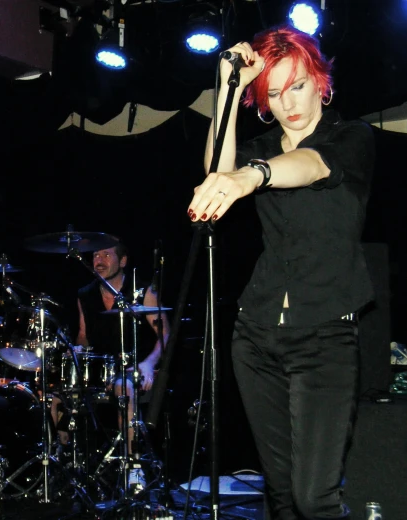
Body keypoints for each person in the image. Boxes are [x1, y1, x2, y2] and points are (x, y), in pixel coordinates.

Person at [188, 25, 374, 520]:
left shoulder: (351, 137)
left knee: (316, 497)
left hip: (326, 337)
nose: (289, 101)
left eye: (297, 84)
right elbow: (217, 168)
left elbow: (312, 166)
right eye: (273, 91)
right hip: (256, 336)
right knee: (283, 496)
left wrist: (255, 175)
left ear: (320, 81)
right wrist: (225, 84)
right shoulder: (262, 144)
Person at [52, 240, 169, 488]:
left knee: (123, 390)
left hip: (135, 368)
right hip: (100, 369)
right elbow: (83, 334)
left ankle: (134, 467)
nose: (99, 260)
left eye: (106, 254)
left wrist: (147, 364)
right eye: (95, 255)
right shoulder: (85, 294)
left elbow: (164, 334)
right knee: (54, 396)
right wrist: (77, 349)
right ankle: (67, 463)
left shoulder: (142, 289)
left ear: (123, 261)